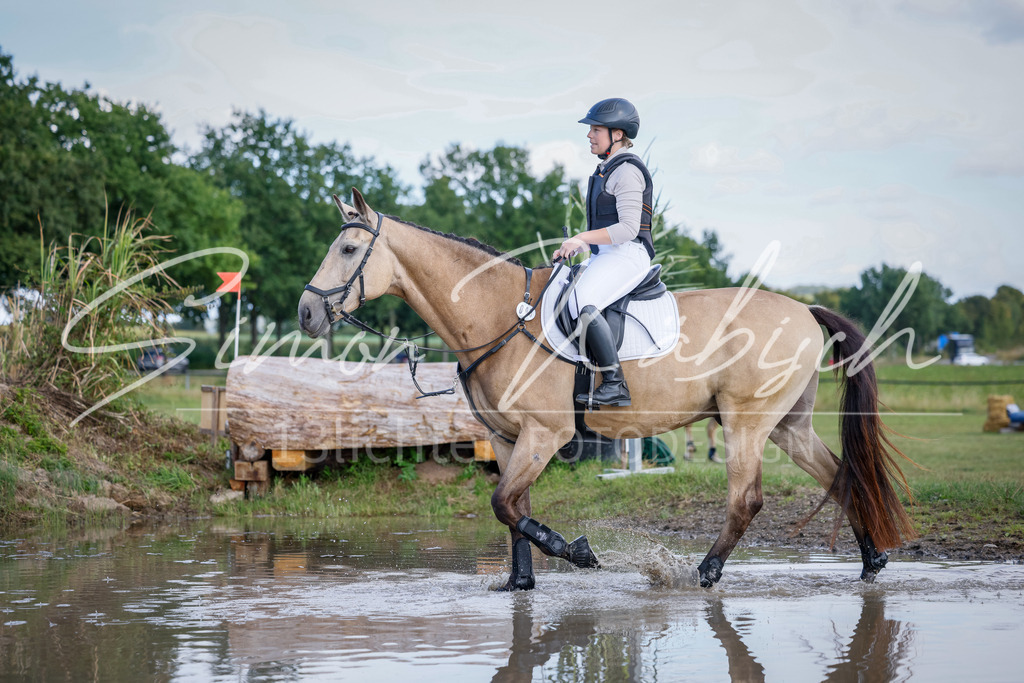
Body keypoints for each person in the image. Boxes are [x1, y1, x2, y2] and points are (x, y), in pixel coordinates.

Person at [553, 97, 655, 407]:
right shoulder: (605, 170)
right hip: (607, 255)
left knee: (583, 301)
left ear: (618, 134)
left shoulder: (626, 172)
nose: (589, 135)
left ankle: (615, 382)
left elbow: (627, 229)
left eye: (596, 129)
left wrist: (581, 238)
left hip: (629, 253)